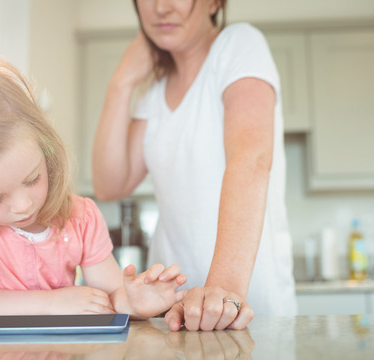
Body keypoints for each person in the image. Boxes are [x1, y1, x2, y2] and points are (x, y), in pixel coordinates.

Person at [0, 52, 187, 323]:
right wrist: (50, 303)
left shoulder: (80, 217)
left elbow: (108, 297)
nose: (23, 206)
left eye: (32, 180)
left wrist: (132, 301)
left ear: (47, 149)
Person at [92, 0, 297, 331]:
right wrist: (121, 82)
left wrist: (221, 292)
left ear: (215, 2)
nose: (161, 8)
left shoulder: (239, 45)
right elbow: (109, 183)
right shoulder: (155, 91)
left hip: (242, 308)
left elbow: (251, 158)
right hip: (172, 311)